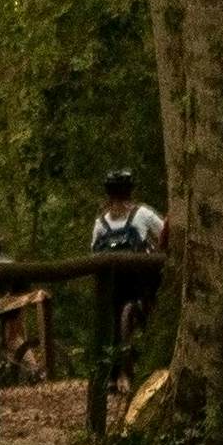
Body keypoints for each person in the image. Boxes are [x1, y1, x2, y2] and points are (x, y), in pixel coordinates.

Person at [87, 171, 168, 401]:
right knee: (150, 309)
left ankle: (112, 376)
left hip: (113, 283)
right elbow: (165, 232)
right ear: (130, 191)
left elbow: (93, 251)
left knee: (112, 320)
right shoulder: (142, 213)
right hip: (140, 279)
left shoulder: (101, 222)